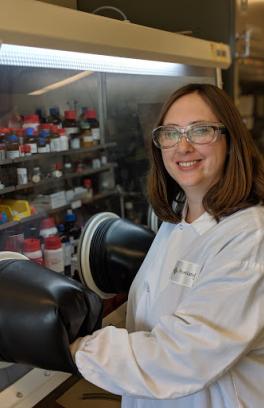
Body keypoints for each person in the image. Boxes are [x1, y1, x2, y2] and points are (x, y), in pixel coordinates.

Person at [70, 83, 264, 407]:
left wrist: (71, 348)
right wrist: (88, 324)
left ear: (230, 141)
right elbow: (150, 315)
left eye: (200, 131)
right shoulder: (177, 219)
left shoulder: (251, 239)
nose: (183, 146)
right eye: (170, 133)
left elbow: (181, 357)